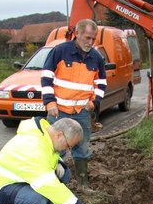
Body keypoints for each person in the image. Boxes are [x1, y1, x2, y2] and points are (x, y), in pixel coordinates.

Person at [0, 116, 102, 204]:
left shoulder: (45, 135)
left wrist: (58, 163)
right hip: (2, 188)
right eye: (68, 145)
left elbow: (47, 161)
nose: (68, 149)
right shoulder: (34, 147)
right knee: (38, 199)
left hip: (21, 181)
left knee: (65, 175)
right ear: (59, 135)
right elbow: (47, 184)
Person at [41, 19, 106, 192]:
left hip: (81, 112)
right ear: (77, 33)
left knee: (82, 147)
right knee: (54, 149)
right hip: (58, 111)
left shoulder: (96, 58)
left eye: (93, 39)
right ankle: (51, 186)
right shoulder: (60, 51)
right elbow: (46, 77)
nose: (90, 42)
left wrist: (93, 103)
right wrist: (50, 103)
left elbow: (101, 83)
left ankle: (83, 185)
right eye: (87, 38)